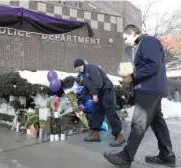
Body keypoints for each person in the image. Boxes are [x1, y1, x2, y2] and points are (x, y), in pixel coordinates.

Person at [103, 24, 176, 167]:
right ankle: (167, 156)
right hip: (152, 89)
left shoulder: (148, 41)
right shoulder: (145, 43)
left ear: (132, 33)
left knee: (138, 123)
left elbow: (154, 65)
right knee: (158, 123)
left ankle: (125, 157)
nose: (125, 41)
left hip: (148, 89)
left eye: (125, 38)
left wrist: (133, 76)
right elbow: (150, 65)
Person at [74, 59, 125, 147]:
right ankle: (95, 135)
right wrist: (79, 98)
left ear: (80, 66)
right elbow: (86, 89)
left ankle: (120, 136)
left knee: (111, 113)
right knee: (96, 113)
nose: (77, 70)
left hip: (107, 92)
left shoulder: (91, 68)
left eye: (77, 68)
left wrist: (94, 94)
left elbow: (98, 82)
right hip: (99, 95)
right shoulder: (84, 76)